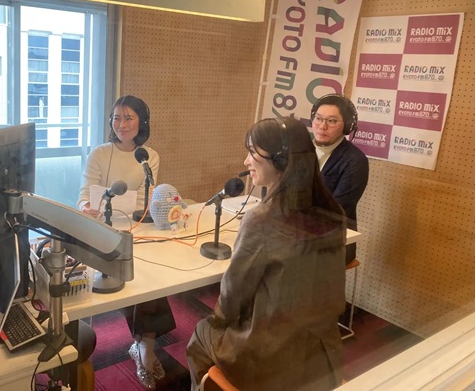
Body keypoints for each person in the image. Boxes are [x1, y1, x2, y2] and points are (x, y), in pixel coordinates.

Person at [186, 117, 346, 391]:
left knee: (202, 331)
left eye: (252, 152)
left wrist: (220, 321)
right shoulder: (333, 214)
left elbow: (233, 294)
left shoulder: (261, 221)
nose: (246, 161)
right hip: (323, 356)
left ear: (281, 161)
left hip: (270, 361)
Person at [77, 95, 175, 390]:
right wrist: (86, 207)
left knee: (150, 275)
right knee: (133, 274)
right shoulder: (99, 154)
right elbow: (84, 196)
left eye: (129, 118)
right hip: (102, 229)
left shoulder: (148, 156)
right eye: (116, 118)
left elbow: (148, 199)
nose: (121, 124)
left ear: (142, 122)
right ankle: (144, 346)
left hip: (136, 227)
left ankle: (144, 344)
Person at [310, 94, 369, 264]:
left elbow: (335, 210)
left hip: (334, 241)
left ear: (347, 126)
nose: (322, 126)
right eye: (318, 119)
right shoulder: (299, 150)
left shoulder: (355, 161)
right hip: (295, 232)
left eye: (332, 121)